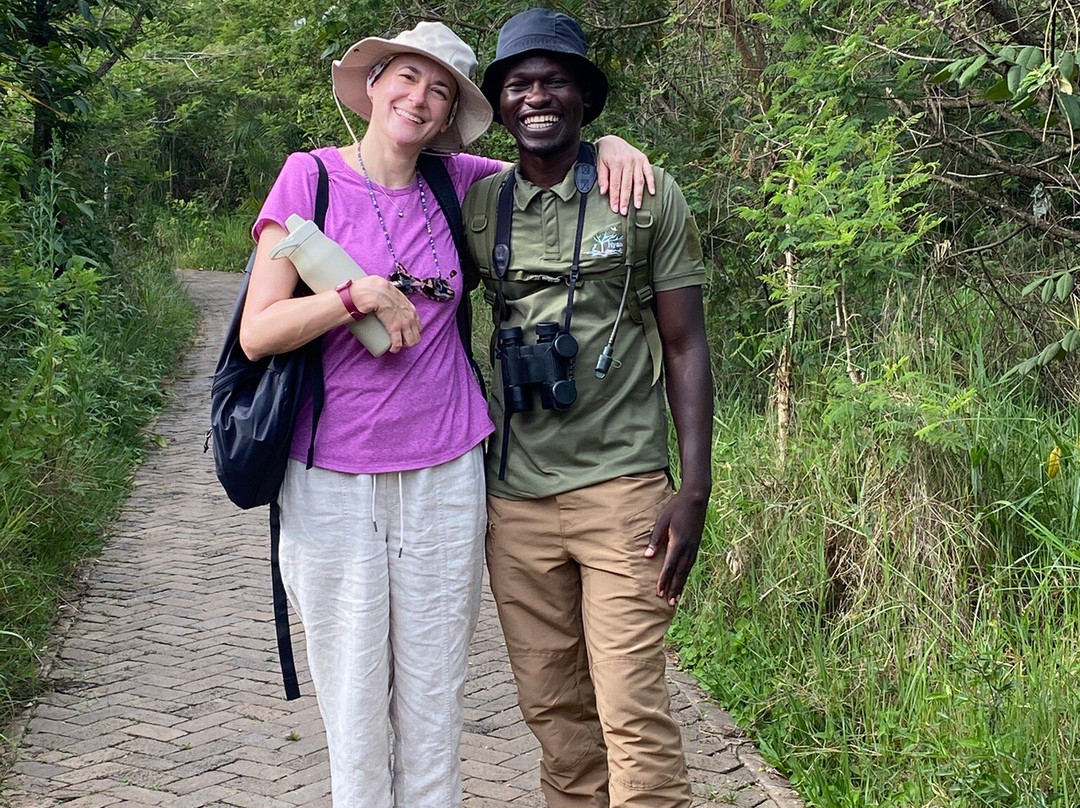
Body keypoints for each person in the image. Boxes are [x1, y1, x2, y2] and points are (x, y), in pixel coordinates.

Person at [237, 20, 654, 808]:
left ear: (451, 114)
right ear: (372, 85)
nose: (419, 99)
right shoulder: (309, 179)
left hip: (447, 474)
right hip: (331, 480)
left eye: (441, 91)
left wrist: (618, 147)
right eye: (406, 78)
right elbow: (259, 334)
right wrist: (350, 295)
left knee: (435, 709)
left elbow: (553, 155)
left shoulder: (457, 181)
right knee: (357, 714)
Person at [463, 9, 714, 808]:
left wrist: (695, 486)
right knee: (556, 717)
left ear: (584, 99)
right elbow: (389, 170)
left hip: (625, 495)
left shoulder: (639, 192)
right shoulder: (476, 202)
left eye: (555, 81)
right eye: (518, 83)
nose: (537, 97)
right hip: (516, 502)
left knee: (632, 713)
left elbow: (685, 345)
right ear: (499, 103)